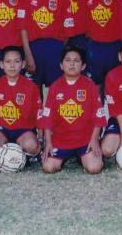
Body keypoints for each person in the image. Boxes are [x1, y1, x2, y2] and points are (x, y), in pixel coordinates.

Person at [38, 45, 106, 174]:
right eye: (68, 60)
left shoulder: (90, 86)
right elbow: (47, 118)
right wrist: (48, 142)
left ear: (83, 66)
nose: (72, 64)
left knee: (94, 168)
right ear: (61, 65)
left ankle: (82, 157)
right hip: (61, 139)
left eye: (76, 61)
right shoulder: (55, 87)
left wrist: (94, 140)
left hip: (85, 139)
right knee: (48, 167)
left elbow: (98, 115)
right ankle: (64, 157)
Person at [18, 0, 70, 98]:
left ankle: (53, 120)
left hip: (55, 49)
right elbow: (23, 28)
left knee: (57, 93)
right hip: (33, 49)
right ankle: (37, 120)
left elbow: (67, 31)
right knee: (34, 94)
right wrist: (28, 56)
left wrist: (61, 53)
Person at [0, 46, 41, 166]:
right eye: (8, 62)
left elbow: (39, 114)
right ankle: (1, 153)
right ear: (1, 64)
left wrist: (40, 138)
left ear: (23, 63)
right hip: (2, 128)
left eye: (16, 61)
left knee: (32, 147)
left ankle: (25, 156)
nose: (12, 65)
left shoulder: (31, 87)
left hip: (24, 129)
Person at [83, 0, 122, 92]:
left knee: (114, 84)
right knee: (95, 83)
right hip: (95, 45)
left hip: (115, 45)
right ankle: (98, 111)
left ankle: (114, 112)